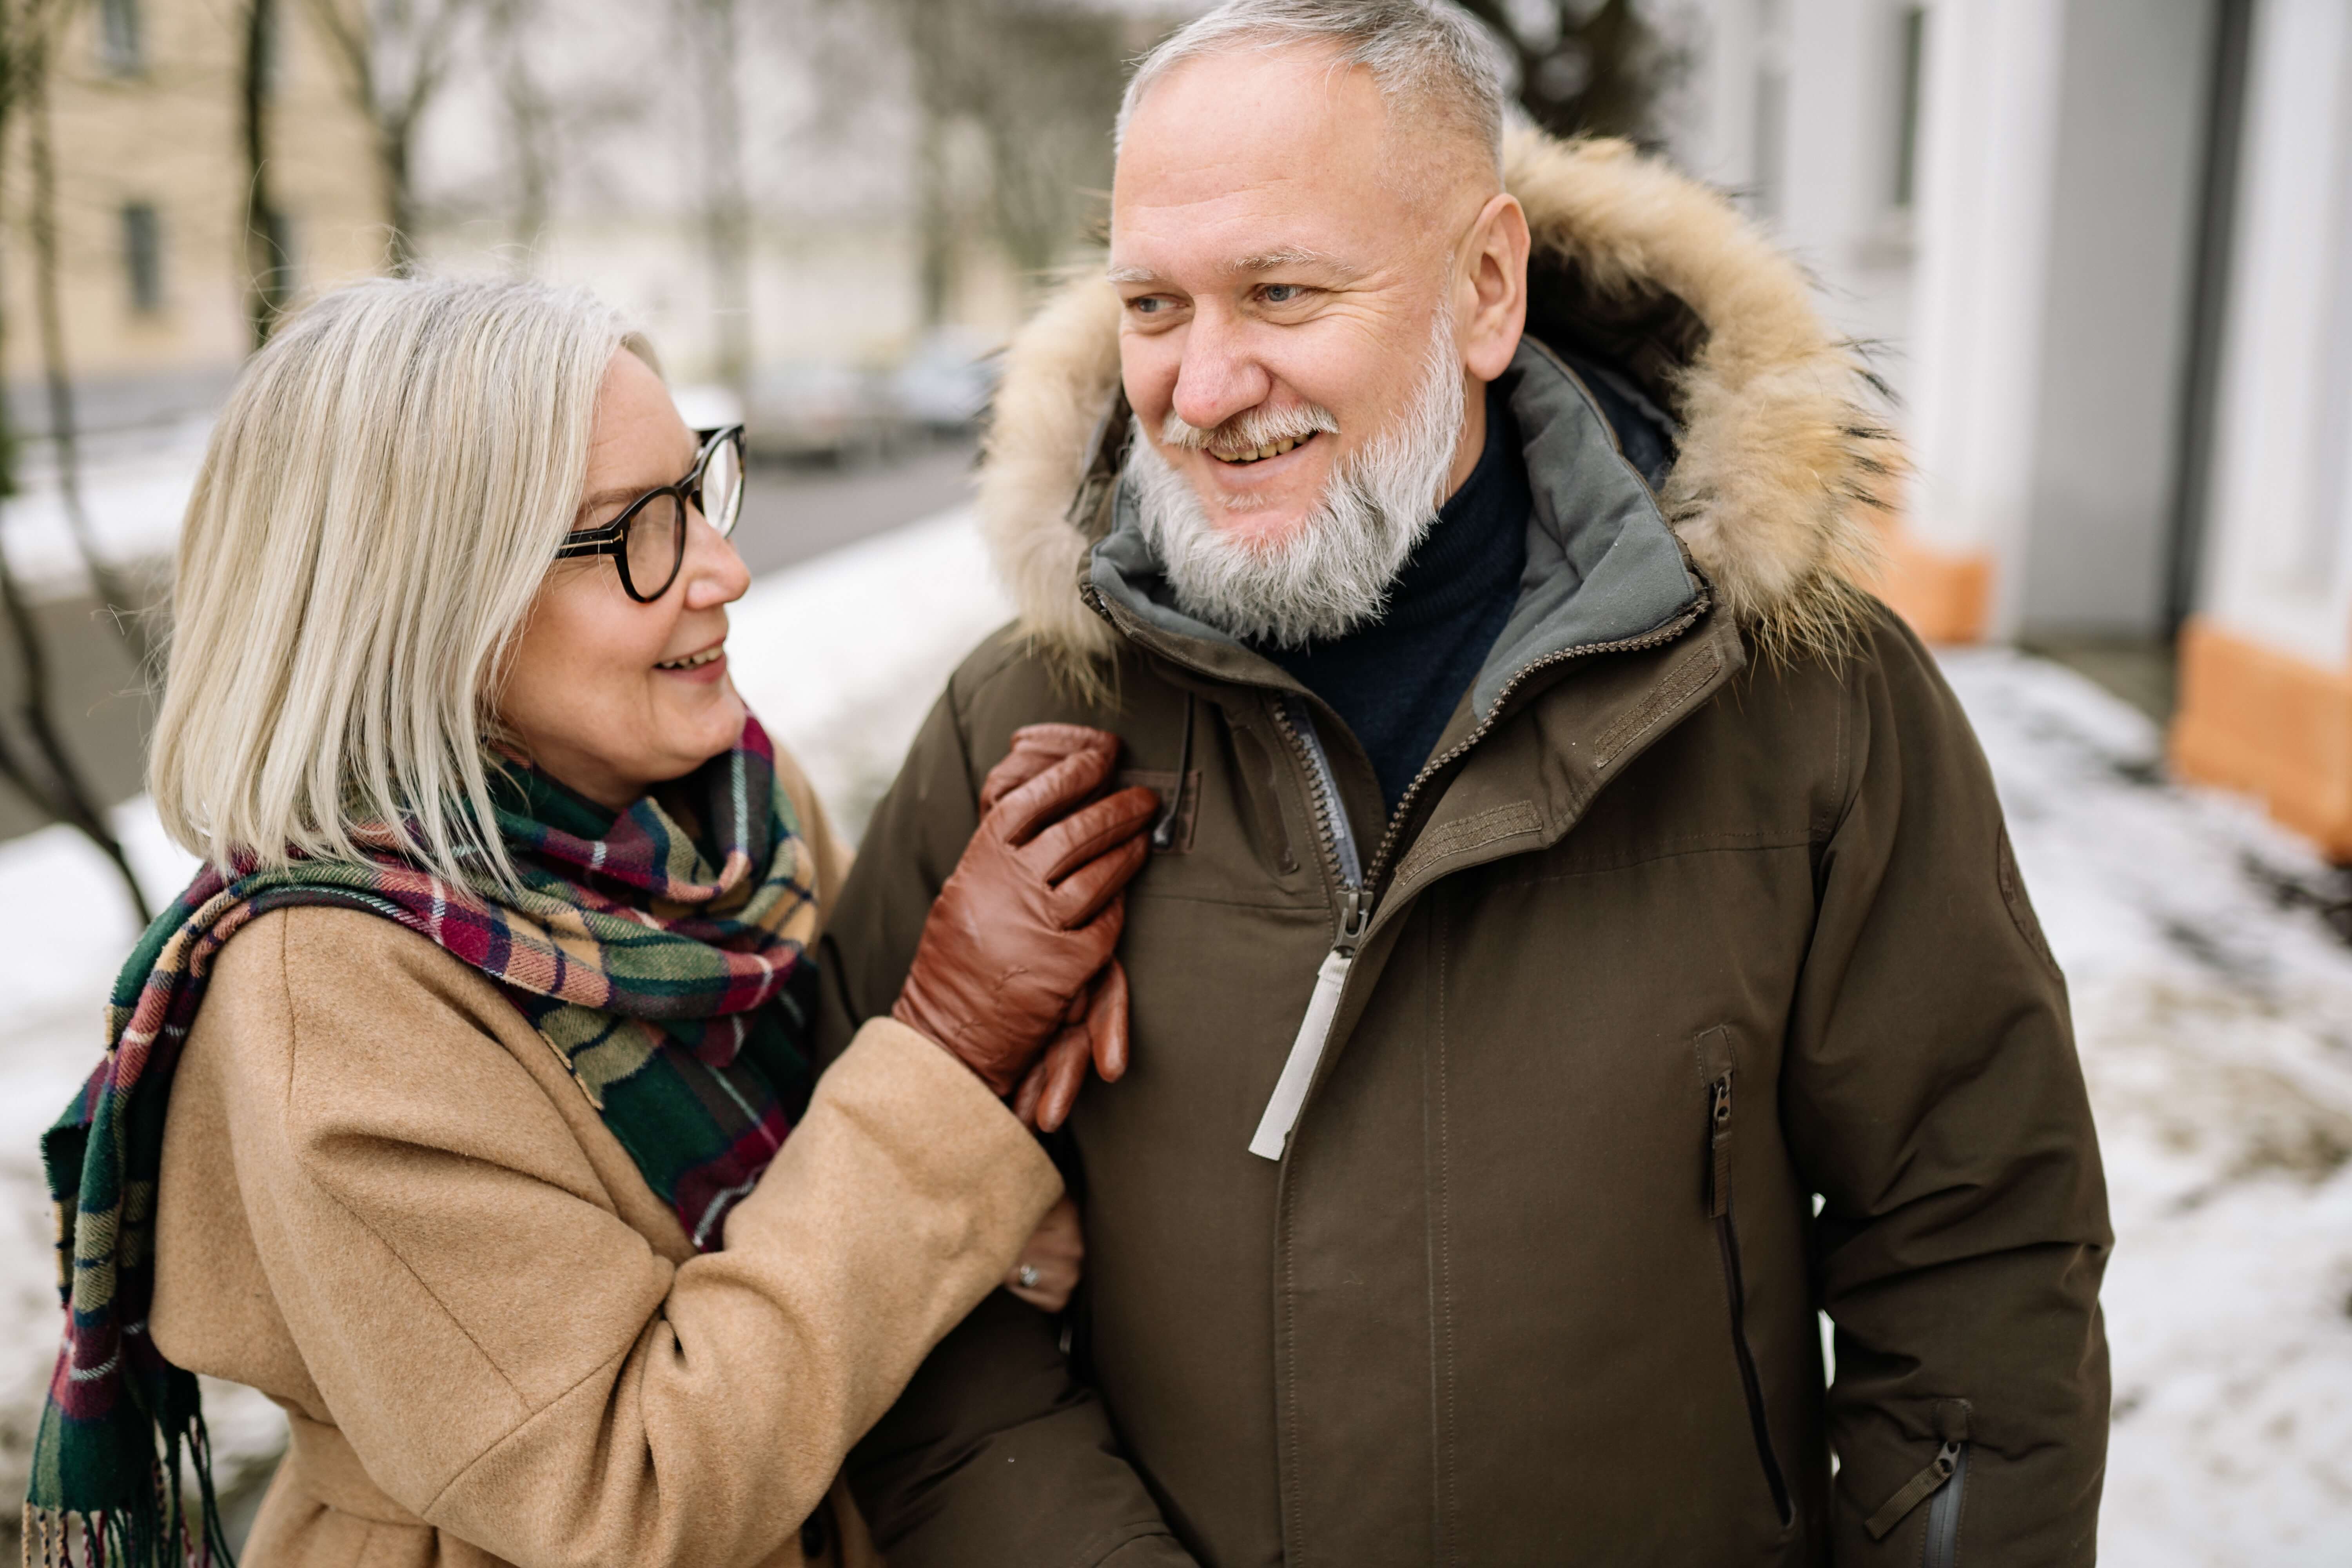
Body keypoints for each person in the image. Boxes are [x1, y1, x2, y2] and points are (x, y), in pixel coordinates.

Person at [817, 2, 2113, 1564]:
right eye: (1153, 304)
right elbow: (897, 1287)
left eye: (1281, 291)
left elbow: (1979, 1261)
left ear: (1484, 288)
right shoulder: (1022, 725)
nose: (1207, 384)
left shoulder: (1807, 707)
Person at [25, 276, 1157, 1567]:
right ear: (433, 611)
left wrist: (1029, 1050)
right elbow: (631, 1496)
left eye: (699, 489)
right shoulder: (330, 995)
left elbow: (868, 1125)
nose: (724, 567)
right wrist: (953, 1051)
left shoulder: (730, 816)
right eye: (635, 534)